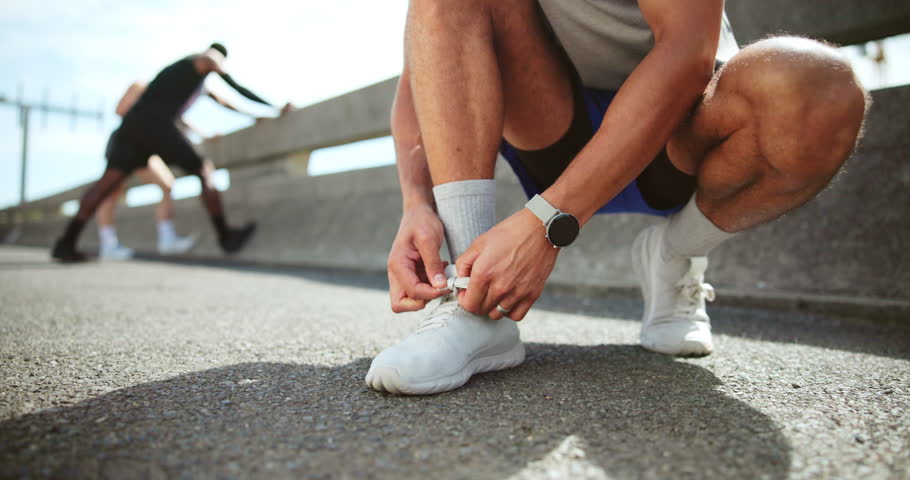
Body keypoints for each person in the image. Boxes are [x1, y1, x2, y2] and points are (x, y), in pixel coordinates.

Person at [367, 0, 868, 395]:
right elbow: (426, 56)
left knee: (819, 84)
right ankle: (472, 302)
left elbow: (688, 50)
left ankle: (676, 254)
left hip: (684, 127)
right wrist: (418, 204)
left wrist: (548, 221)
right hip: (551, 123)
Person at [52, 42, 286, 262]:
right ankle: (226, 236)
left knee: (106, 184)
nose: (217, 66)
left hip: (132, 127)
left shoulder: (194, 82)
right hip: (154, 125)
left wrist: (256, 115)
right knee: (204, 170)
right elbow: (234, 86)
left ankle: (66, 241)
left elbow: (224, 103)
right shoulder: (207, 57)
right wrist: (275, 106)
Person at [95, 81, 199, 260]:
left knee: (167, 184)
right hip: (126, 143)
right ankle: (108, 245)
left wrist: (203, 134)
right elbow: (119, 110)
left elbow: (177, 119)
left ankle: (167, 239)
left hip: (146, 147)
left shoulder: (165, 99)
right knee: (111, 193)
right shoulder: (140, 87)